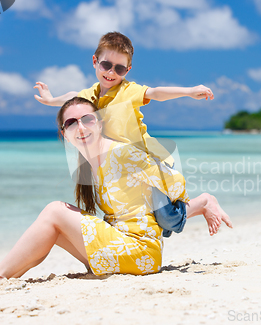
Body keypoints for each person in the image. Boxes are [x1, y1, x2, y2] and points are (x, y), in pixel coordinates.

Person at [0, 97, 230, 295]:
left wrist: (200, 203)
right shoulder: (87, 165)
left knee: (54, 211)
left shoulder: (123, 153)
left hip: (140, 252)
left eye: (87, 119)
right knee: (53, 231)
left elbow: (172, 185)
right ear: (64, 133)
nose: (81, 127)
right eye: (71, 123)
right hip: (122, 247)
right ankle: (5, 277)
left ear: (99, 123)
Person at [34, 31, 230, 237]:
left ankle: (204, 202)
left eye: (119, 68)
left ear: (128, 69)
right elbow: (71, 97)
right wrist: (51, 99)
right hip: (120, 169)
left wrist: (189, 91)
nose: (111, 72)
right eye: (106, 65)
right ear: (94, 61)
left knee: (166, 219)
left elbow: (155, 93)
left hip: (147, 165)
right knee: (128, 214)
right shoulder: (88, 96)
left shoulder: (128, 91)